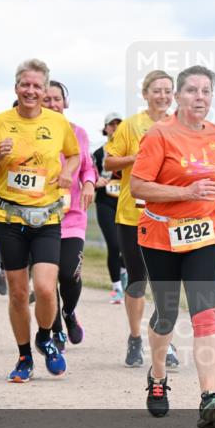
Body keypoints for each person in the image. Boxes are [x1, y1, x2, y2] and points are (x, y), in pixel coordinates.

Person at [130, 65, 215, 428]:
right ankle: (158, 378)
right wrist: (185, 193)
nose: (199, 97)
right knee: (165, 315)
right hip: (161, 234)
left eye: (206, 91)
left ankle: (210, 396)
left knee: (204, 313)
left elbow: (210, 179)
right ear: (177, 96)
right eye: (191, 91)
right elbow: (139, 187)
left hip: (205, 233)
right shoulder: (159, 134)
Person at [0, 58, 80, 383]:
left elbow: (75, 154)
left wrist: (66, 172)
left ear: (45, 89)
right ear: (16, 87)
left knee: (47, 290)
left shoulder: (58, 124)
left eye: (37, 86)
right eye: (26, 85)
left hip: (47, 217)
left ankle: (45, 337)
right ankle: (24, 356)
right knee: (19, 293)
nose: (31, 91)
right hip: (9, 217)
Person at [103, 69, 180, 370]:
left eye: (167, 90)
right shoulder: (131, 125)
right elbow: (109, 162)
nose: (162, 96)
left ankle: (164, 339)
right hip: (133, 215)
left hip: (169, 216)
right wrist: (137, 158)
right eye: (156, 90)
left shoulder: (180, 125)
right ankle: (135, 337)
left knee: (166, 285)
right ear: (145, 93)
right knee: (137, 281)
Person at [41, 80, 97, 352]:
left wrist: (88, 183)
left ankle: (69, 311)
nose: (52, 105)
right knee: (47, 279)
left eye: (56, 99)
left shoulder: (79, 133)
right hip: (40, 216)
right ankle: (57, 332)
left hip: (73, 216)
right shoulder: (34, 134)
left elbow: (88, 168)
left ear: (66, 102)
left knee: (69, 275)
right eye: (47, 100)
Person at [92, 112, 126, 304]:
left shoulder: (130, 150)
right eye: (111, 124)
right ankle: (117, 288)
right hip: (105, 202)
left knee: (130, 247)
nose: (115, 127)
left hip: (126, 202)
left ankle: (124, 271)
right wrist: (97, 181)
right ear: (105, 129)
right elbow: (89, 175)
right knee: (114, 245)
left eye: (118, 124)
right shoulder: (98, 153)